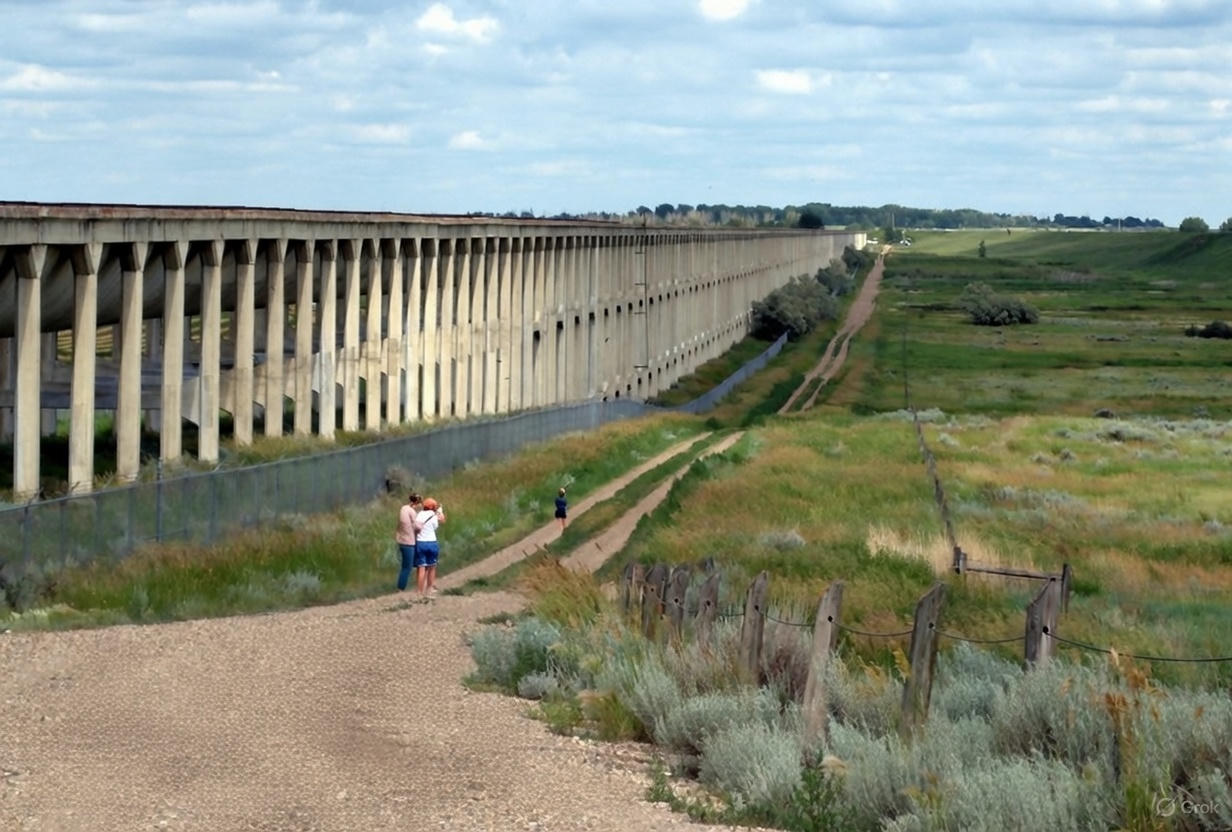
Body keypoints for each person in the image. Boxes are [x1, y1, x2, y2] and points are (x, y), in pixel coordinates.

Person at [413, 497, 446, 596]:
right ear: (433, 507)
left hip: (420, 542)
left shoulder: (419, 515)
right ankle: (429, 589)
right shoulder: (434, 515)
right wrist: (440, 512)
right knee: (432, 567)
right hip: (432, 542)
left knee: (421, 567)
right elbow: (440, 523)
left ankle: (419, 591)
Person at [395, 493, 422, 592]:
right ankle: (401, 588)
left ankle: (406, 585)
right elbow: (417, 527)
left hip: (401, 541)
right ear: (417, 502)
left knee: (406, 566)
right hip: (409, 542)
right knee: (407, 567)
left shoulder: (403, 508)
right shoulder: (412, 512)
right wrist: (422, 524)